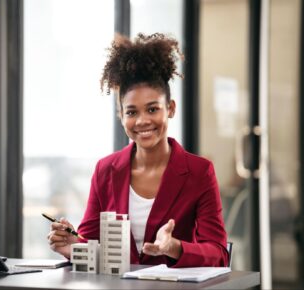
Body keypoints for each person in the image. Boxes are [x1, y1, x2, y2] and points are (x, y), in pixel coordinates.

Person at [47, 32, 228, 267]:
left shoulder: (199, 171)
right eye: (132, 112)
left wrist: (174, 247)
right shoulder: (105, 169)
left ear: (170, 109)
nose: (142, 121)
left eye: (152, 109)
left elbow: (219, 254)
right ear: (121, 116)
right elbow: (90, 241)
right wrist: (71, 246)